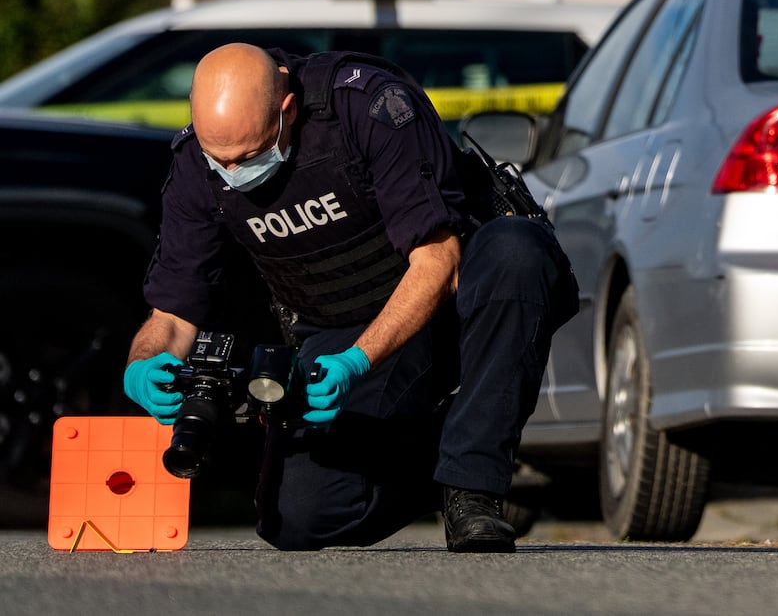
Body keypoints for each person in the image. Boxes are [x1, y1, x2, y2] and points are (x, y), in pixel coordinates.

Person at [121, 42, 577, 552]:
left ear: (287, 110)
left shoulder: (370, 107)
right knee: (298, 520)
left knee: (518, 251)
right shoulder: (195, 164)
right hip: (340, 328)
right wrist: (145, 363)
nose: (232, 172)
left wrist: (357, 362)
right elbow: (174, 309)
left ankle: (474, 486)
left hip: (459, 307)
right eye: (218, 159)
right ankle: (454, 451)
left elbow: (438, 261)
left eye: (248, 156)